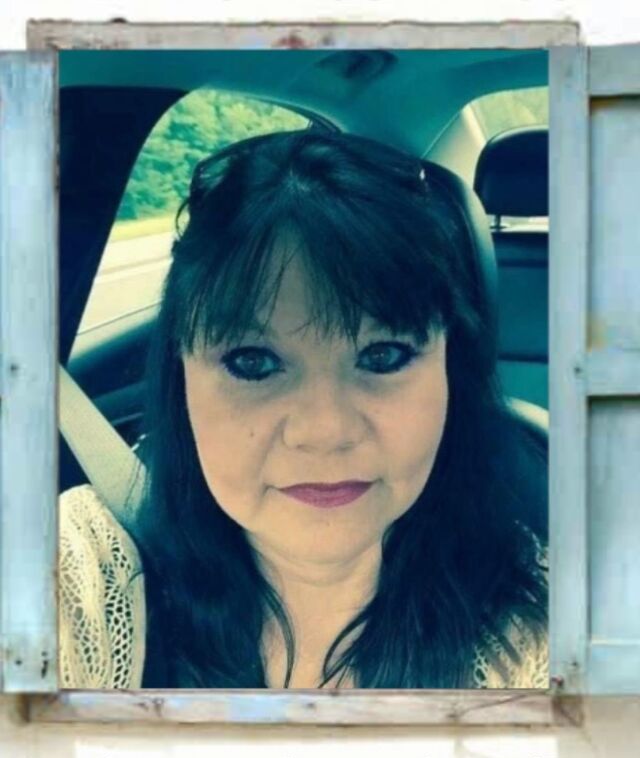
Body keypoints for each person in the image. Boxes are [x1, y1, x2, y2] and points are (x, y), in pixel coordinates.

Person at [59, 130, 548, 690]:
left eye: (383, 356)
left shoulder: (538, 631)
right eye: (253, 363)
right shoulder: (80, 574)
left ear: (448, 374)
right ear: (182, 377)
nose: (325, 431)